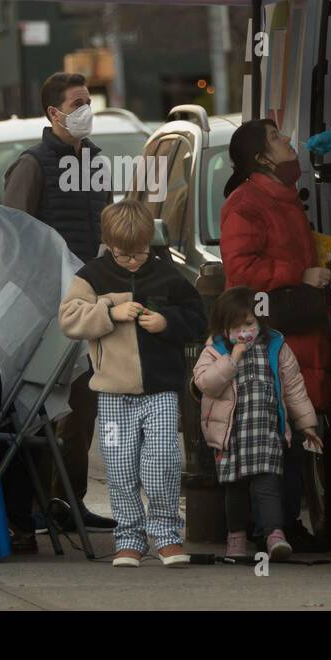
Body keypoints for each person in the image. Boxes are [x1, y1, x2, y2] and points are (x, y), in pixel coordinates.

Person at [59, 200, 205, 567]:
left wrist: (167, 322)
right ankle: (129, 538)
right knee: (120, 467)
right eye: (123, 255)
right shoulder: (91, 276)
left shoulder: (169, 276)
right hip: (112, 392)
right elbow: (70, 319)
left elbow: (197, 320)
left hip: (161, 391)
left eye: (140, 252)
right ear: (109, 245)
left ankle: (167, 536)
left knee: (161, 466)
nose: (133, 261)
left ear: (149, 242)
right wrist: (110, 312)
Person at [2, 71, 116, 533]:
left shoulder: (97, 162)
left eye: (88, 100)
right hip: (48, 308)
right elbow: (14, 238)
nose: (86, 109)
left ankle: (70, 501)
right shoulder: (31, 165)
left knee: (84, 405)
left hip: (90, 302)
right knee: (43, 406)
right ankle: (32, 504)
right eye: (78, 102)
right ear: (54, 113)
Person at [219, 119, 331, 549]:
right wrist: (300, 274)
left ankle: (285, 526)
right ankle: (272, 529)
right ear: (262, 158)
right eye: (276, 138)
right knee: (278, 438)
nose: (289, 139)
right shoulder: (246, 203)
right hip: (277, 338)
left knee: (293, 437)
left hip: (299, 336)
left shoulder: (285, 198)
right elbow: (242, 272)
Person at [192, 287, 322, 561]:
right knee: (235, 488)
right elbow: (207, 384)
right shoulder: (214, 351)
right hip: (232, 435)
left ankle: (274, 535)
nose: (244, 333)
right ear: (223, 328)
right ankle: (236, 538)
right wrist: (233, 359)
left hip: (266, 431)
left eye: (249, 324)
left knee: (269, 485)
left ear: (260, 320)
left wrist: (306, 423)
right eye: (235, 327)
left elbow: (294, 387)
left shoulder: (276, 345)